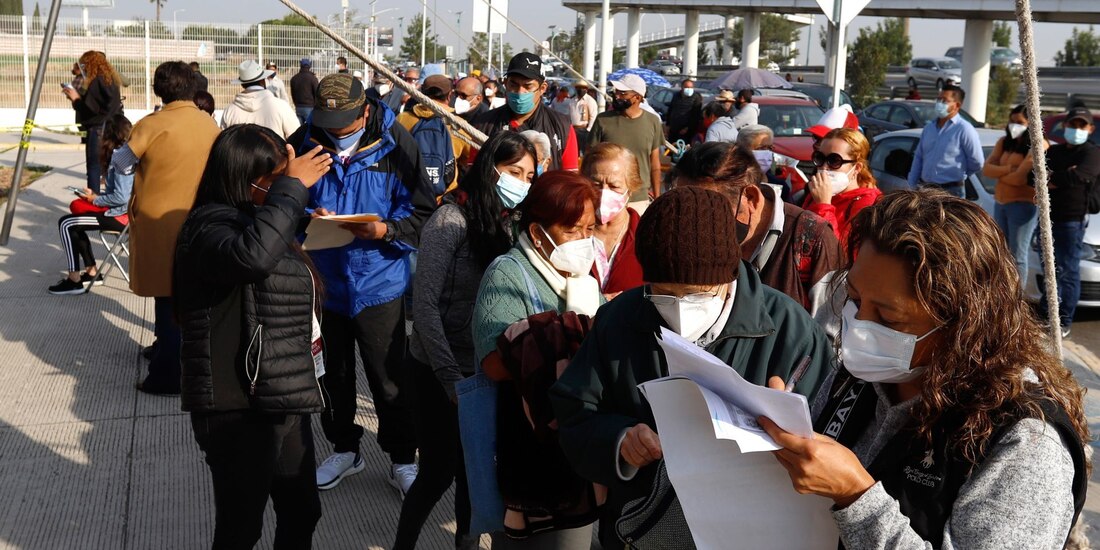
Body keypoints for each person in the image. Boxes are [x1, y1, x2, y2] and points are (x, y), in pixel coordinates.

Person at [761, 189, 1088, 550]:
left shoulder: (1024, 444)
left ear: (961, 326)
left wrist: (856, 496)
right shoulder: (862, 377)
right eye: (854, 300)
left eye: (888, 318)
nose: (859, 326)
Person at [549, 186, 835, 550]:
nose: (681, 307)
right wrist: (620, 440)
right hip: (640, 532)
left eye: (698, 293)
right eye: (664, 293)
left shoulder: (791, 330)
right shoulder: (620, 319)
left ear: (729, 273)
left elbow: (829, 440)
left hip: (750, 534)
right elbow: (575, 411)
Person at [175, 124, 333, 550]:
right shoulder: (206, 228)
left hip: (279, 392)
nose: (283, 188)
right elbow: (251, 257)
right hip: (236, 405)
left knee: (302, 510)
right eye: (273, 180)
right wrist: (291, 190)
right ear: (241, 180)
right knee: (241, 527)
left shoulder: (255, 219)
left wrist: (295, 212)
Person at [287, 73, 434, 495]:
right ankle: (344, 449)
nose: (335, 131)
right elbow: (283, 200)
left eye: (346, 121)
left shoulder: (397, 143)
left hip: (379, 282)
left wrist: (386, 230)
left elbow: (423, 212)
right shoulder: (304, 141)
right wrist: (305, 217)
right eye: (328, 121)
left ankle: (403, 458)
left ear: (366, 110)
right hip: (324, 282)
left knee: (389, 378)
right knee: (331, 375)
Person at [394, 131, 537, 550]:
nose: (522, 182)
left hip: (483, 370)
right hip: (437, 370)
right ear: (490, 168)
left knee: (473, 475)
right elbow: (424, 310)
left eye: (529, 175)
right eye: (514, 172)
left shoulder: (510, 225)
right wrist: (449, 377)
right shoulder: (449, 220)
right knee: (437, 472)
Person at [471, 171, 603, 548]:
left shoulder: (583, 279)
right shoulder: (508, 273)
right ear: (537, 232)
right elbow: (493, 364)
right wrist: (555, 338)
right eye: (572, 230)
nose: (584, 241)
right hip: (527, 445)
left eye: (590, 229)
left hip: (577, 440)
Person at [112, 61, 220, 395]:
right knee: (185, 292)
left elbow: (121, 161)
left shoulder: (152, 124)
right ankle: (166, 348)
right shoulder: (209, 124)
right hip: (200, 219)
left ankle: (167, 373)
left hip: (159, 222)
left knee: (166, 292)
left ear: (159, 89)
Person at [675, 142, 842, 314]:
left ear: (751, 198)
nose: (694, 222)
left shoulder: (813, 238)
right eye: (684, 207)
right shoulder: (686, 233)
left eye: (707, 210)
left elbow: (830, 330)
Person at [49, 114, 133, 295]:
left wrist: (95, 200)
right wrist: (96, 196)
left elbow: (122, 197)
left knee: (66, 223)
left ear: (109, 135)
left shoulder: (121, 158)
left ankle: (74, 280)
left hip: (121, 217)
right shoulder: (124, 154)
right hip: (122, 214)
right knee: (74, 222)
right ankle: (91, 272)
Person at [1042, 105, 1100, 338]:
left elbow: (1081, 176)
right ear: (1064, 126)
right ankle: (1046, 314)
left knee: (1067, 270)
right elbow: (1033, 175)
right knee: (1050, 268)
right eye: (1072, 124)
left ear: (1089, 129)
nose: (1075, 129)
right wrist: (1061, 177)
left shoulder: (1092, 153)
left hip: (1072, 220)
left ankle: (1063, 319)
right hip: (1048, 217)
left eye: (1080, 125)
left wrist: (1054, 177)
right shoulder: (1055, 153)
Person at [472, 53, 579, 172]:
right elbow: (474, 173)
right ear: (506, 83)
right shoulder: (483, 124)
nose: (519, 92)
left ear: (542, 88)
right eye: (514, 84)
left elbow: (570, 179)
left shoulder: (562, 127)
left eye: (528, 86)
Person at [984, 104, 1046, 285]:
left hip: (1023, 204)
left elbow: (1020, 179)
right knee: (1001, 252)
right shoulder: (1004, 142)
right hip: (1001, 202)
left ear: (1031, 123)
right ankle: (1003, 291)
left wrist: (1001, 174)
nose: (1014, 125)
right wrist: (1009, 169)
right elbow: (986, 169)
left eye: (1020, 122)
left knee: (1018, 255)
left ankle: (1017, 297)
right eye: (1012, 121)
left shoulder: (1038, 144)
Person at [589, 74, 664, 213]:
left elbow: (654, 163)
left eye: (622, 93)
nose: (617, 96)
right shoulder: (602, 120)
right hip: (606, 197)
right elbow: (589, 159)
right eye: (616, 91)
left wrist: (657, 197)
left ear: (637, 97)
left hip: (639, 199)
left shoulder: (653, 122)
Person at [582, 143, 645, 299]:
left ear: (630, 188)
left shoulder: (647, 236)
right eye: (596, 185)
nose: (604, 193)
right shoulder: (570, 233)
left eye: (614, 186)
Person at [397, 74, 472, 199]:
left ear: (421, 94)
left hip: (409, 193)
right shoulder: (459, 125)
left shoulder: (402, 118)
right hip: (445, 196)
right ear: (449, 95)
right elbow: (467, 158)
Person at [804, 128, 883, 244]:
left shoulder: (869, 205)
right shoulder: (816, 192)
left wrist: (823, 205)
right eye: (819, 158)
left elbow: (840, 254)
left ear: (856, 168)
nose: (824, 167)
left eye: (834, 161)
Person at [907, 85, 984, 197]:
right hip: (926, 189)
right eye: (938, 99)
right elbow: (919, 157)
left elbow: (977, 162)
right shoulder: (929, 128)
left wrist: (961, 174)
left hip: (951, 191)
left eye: (944, 100)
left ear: (957, 105)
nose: (939, 103)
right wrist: (911, 185)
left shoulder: (964, 129)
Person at [63, 50, 122, 194]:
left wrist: (75, 98)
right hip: (113, 127)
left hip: (98, 128)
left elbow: (91, 110)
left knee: (94, 167)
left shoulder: (96, 81)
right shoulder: (111, 79)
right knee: (109, 166)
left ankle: (93, 200)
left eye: (83, 64)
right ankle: (110, 199)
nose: (82, 68)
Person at [220, 60, 300, 140]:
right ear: (263, 80)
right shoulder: (281, 106)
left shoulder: (229, 111)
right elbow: (297, 137)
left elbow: (223, 141)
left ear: (242, 84)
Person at [667, 77, 703, 142]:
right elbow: (671, 109)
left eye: (691, 87)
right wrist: (668, 124)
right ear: (682, 87)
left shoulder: (696, 98)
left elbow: (696, 116)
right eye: (687, 87)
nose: (689, 89)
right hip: (673, 129)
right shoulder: (676, 95)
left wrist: (687, 128)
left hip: (686, 131)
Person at [290, 58, 320, 124]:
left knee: (299, 128)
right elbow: (317, 93)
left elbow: (293, 93)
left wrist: (296, 104)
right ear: (309, 66)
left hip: (298, 107)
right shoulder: (313, 78)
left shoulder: (294, 78)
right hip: (309, 107)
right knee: (309, 128)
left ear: (300, 65)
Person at [570, 81, 598, 149]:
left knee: (584, 149)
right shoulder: (572, 100)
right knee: (574, 148)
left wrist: (588, 130)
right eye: (578, 88)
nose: (580, 90)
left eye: (583, 88)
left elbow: (593, 116)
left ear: (586, 89)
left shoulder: (590, 101)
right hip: (573, 128)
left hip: (584, 129)